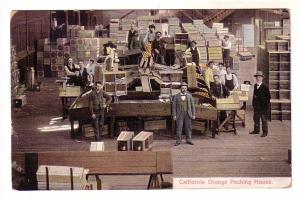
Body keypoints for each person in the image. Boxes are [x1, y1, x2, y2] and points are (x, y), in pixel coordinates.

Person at [249, 71, 271, 137]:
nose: (258, 78)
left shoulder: (265, 86)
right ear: (256, 78)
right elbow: (254, 95)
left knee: (264, 119)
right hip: (256, 106)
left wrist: (265, 105)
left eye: (260, 77)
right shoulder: (255, 85)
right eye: (257, 77)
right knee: (256, 118)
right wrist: (253, 104)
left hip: (263, 107)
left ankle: (265, 132)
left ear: (262, 78)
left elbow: (269, 97)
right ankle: (256, 130)